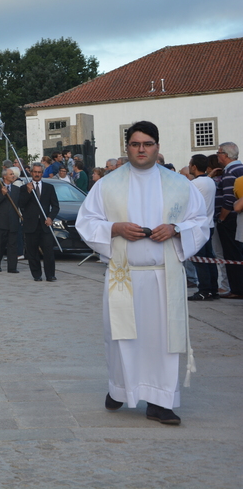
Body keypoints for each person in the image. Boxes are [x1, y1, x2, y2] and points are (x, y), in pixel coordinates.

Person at [76, 120, 209, 425]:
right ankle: (120, 389)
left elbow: (200, 220)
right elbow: (86, 221)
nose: (141, 149)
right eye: (135, 144)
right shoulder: (108, 184)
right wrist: (115, 228)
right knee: (122, 338)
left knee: (163, 339)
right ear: (127, 148)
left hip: (165, 276)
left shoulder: (179, 184)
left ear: (157, 147)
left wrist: (176, 229)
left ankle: (160, 401)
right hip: (125, 275)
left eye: (147, 144)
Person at [19, 162, 60, 282]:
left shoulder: (49, 187)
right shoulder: (24, 188)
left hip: (45, 225)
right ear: (31, 173)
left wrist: (50, 218)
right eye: (35, 172)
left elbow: (55, 206)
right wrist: (28, 192)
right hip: (30, 225)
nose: (37, 174)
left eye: (39, 172)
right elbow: (21, 204)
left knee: (48, 251)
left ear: (42, 173)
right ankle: (36, 274)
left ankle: (50, 275)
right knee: (32, 252)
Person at [187, 155, 218, 301]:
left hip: (198, 226)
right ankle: (213, 289)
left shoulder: (195, 184)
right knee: (209, 258)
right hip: (209, 224)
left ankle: (204, 290)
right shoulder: (210, 181)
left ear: (194, 166)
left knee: (200, 260)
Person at [215, 142, 243, 298]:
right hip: (238, 219)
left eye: (219, 152)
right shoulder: (240, 168)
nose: (217, 155)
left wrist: (222, 218)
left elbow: (228, 199)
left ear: (225, 155)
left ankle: (237, 289)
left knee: (232, 254)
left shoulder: (230, 171)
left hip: (230, 219)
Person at [0, 169, 21, 273]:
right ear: (4, 176)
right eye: (11, 174)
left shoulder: (17, 189)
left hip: (13, 222)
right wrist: (2, 195)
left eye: (13, 174)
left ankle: (12, 267)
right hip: (0, 222)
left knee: (12, 246)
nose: (13, 176)